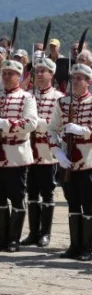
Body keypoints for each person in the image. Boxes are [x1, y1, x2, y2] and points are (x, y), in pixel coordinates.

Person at [0, 59, 38, 252]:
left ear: (18, 76)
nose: (5, 77)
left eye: (10, 74)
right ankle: (1, 238)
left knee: (17, 198)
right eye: (3, 73)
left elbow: (30, 123)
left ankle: (14, 239)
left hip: (16, 155)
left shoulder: (26, 98)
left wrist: (6, 125)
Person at [47, 63, 92, 260]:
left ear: (88, 81)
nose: (75, 82)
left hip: (89, 161)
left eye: (79, 78)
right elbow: (51, 129)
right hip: (68, 162)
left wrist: (84, 130)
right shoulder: (63, 103)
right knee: (73, 204)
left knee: (89, 206)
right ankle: (75, 245)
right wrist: (57, 151)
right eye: (73, 78)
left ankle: (88, 247)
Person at [19, 57, 62, 248]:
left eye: (44, 71)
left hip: (47, 151)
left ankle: (45, 233)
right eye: (37, 71)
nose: (40, 74)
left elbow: (58, 126)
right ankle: (33, 232)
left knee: (47, 193)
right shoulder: (28, 95)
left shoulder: (59, 98)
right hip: (29, 150)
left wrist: (38, 123)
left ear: (52, 74)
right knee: (32, 194)